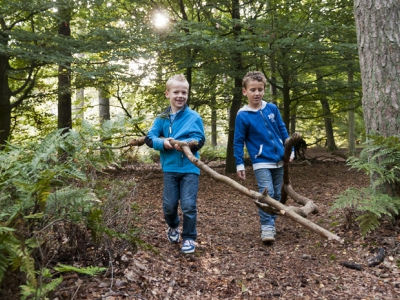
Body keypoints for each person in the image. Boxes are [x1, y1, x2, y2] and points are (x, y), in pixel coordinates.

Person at [145, 74, 205, 254]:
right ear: (167, 94)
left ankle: (189, 237)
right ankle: (173, 226)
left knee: (188, 205)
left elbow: (199, 139)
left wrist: (188, 145)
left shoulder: (194, 117)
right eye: (176, 92)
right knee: (169, 205)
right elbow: (150, 138)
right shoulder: (162, 118)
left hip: (189, 168)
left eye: (184, 92)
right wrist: (162, 143)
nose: (180, 96)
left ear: (187, 94)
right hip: (170, 168)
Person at [233, 71, 293, 243]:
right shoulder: (243, 115)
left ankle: (271, 223)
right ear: (245, 91)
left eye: (260, 89)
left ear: (264, 90)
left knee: (276, 196)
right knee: (267, 193)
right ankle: (266, 227)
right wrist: (239, 164)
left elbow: (282, 130)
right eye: (253, 90)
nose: (257, 93)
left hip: (279, 159)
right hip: (260, 161)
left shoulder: (272, 109)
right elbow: (238, 141)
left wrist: (290, 150)